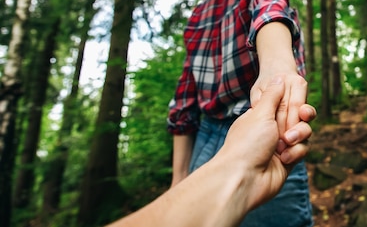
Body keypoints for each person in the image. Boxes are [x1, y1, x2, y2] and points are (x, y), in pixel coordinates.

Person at [167, 0, 313, 227]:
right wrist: (278, 69)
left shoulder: (200, 11)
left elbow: (183, 103)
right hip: (261, 139)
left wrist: (179, 179)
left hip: (203, 147)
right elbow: (270, 8)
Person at [109, 79, 316, 227]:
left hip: (267, 126)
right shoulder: (196, 22)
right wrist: (178, 180)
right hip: (207, 130)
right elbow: (184, 98)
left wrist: (279, 78)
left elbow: (272, 17)